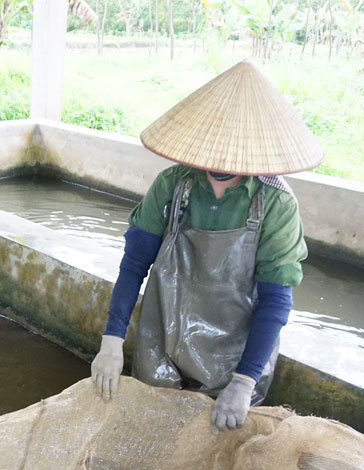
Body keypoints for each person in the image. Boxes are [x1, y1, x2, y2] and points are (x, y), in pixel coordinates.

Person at [91, 61, 324, 430]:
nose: (219, 162)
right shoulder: (172, 184)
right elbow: (134, 265)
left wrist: (244, 381)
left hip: (233, 355)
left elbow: (276, 300)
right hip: (162, 338)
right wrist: (112, 341)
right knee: (149, 433)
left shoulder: (276, 203)